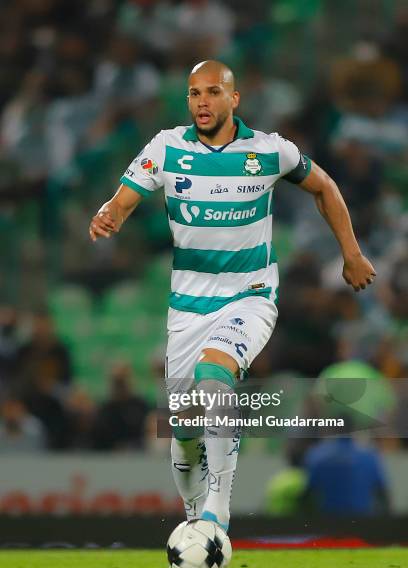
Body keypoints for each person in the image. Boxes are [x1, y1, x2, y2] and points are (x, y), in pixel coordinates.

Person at [89, 60, 376, 537]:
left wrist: (351, 253)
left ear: (233, 98)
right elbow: (121, 200)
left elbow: (323, 186)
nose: (202, 101)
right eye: (193, 93)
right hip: (187, 305)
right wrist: (109, 215)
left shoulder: (269, 151)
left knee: (213, 374)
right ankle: (193, 524)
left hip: (251, 295)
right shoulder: (167, 147)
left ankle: (217, 512)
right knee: (182, 432)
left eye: (212, 92)